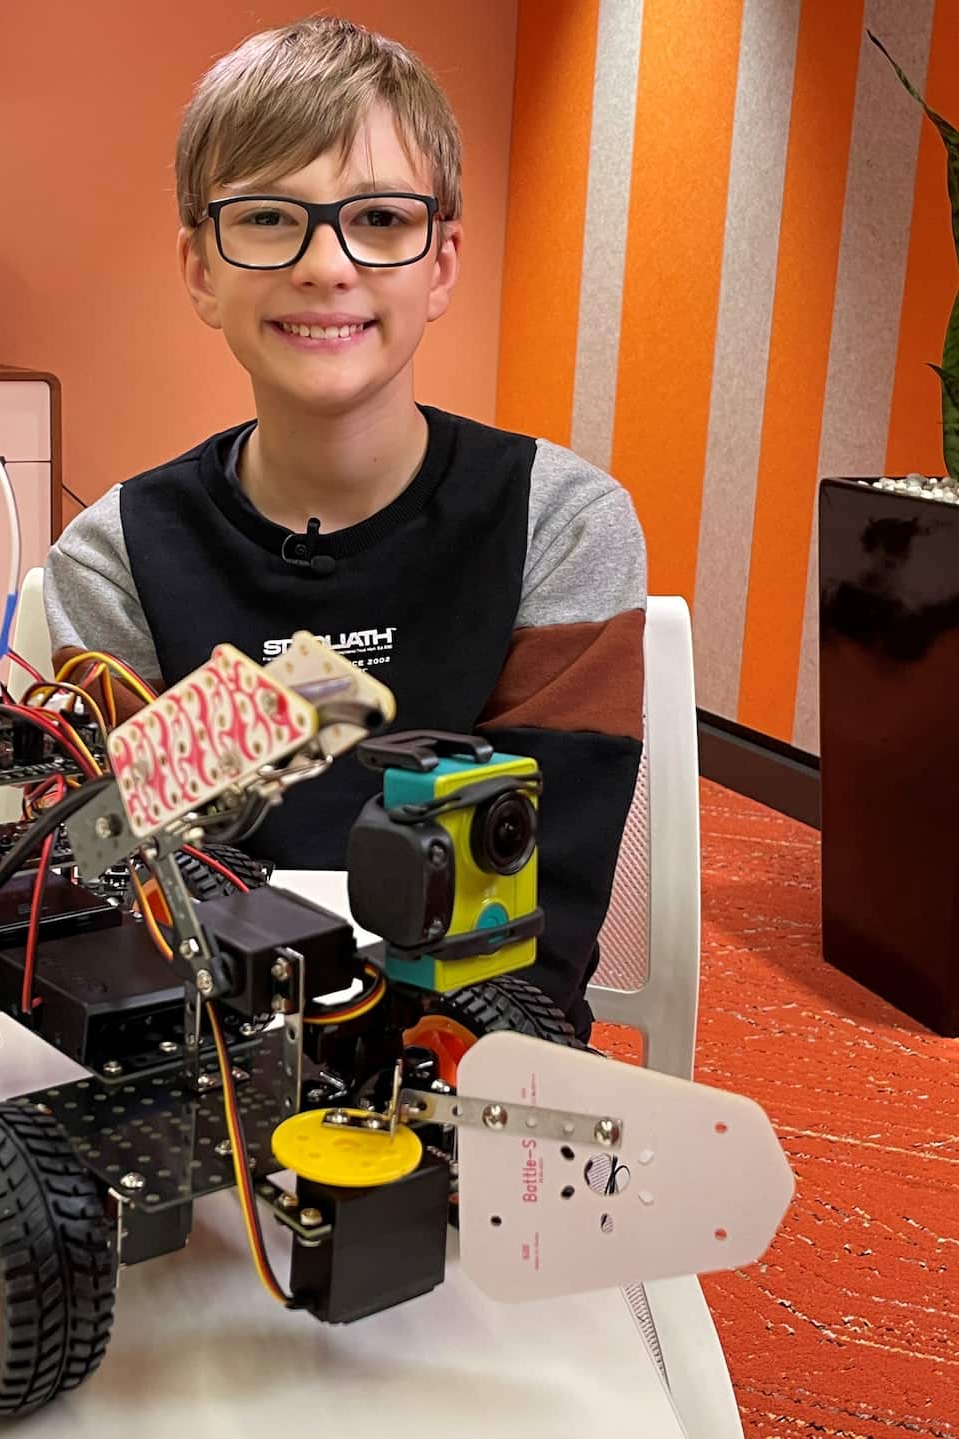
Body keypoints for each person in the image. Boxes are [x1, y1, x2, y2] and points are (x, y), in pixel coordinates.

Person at [44, 16, 646, 1041]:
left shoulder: (557, 522)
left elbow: (540, 905)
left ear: (441, 263)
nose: (326, 265)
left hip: (468, 1059)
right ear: (200, 268)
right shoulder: (115, 557)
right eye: (267, 218)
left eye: (377, 217)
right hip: (201, 1051)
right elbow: (109, 876)